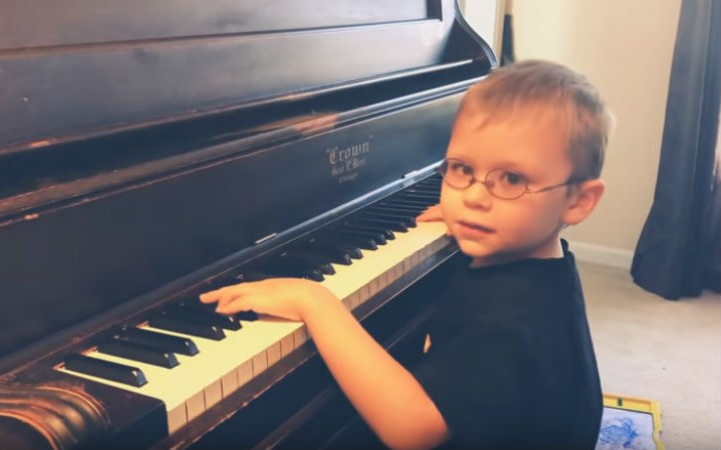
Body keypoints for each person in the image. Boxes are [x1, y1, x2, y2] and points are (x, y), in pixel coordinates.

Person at [200, 59, 611, 450]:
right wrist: (475, 217)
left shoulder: (510, 323)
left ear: (578, 202)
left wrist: (316, 302)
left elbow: (410, 428)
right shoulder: (542, 268)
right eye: (462, 169)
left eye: (512, 179)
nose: (473, 198)